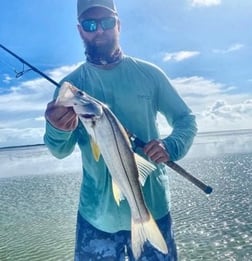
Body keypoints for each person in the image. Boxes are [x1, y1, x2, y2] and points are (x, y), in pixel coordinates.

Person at [44, 0, 197, 260]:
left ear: (119, 24)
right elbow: (59, 151)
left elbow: (186, 119)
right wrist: (57, 128)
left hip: (153, 208)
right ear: (80, 30)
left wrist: (170, 146)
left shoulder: (150, 74)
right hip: (97, 218)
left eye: (106, 22)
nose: (99, 30)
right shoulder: (71, 85)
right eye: (90, 24)